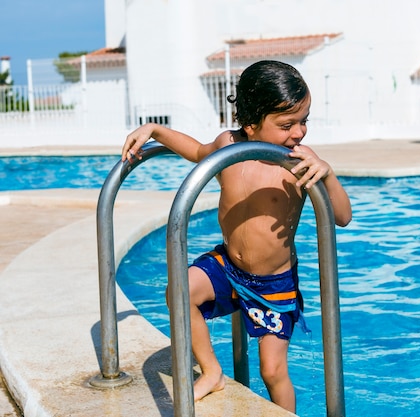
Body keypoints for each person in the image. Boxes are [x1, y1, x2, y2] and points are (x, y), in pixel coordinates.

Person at [121, 60, 352, 413]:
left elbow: (342, 217)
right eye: (287, 124)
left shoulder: (299, 163)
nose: (299, 132)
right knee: (179, 291)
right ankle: (212, 371)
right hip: (228, 267)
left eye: (304, 121)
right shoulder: (227, 147)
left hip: (273, 283)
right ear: (250, 124)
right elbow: (196, 151)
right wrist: (155, 130)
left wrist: (328, 175)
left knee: (272, 371)